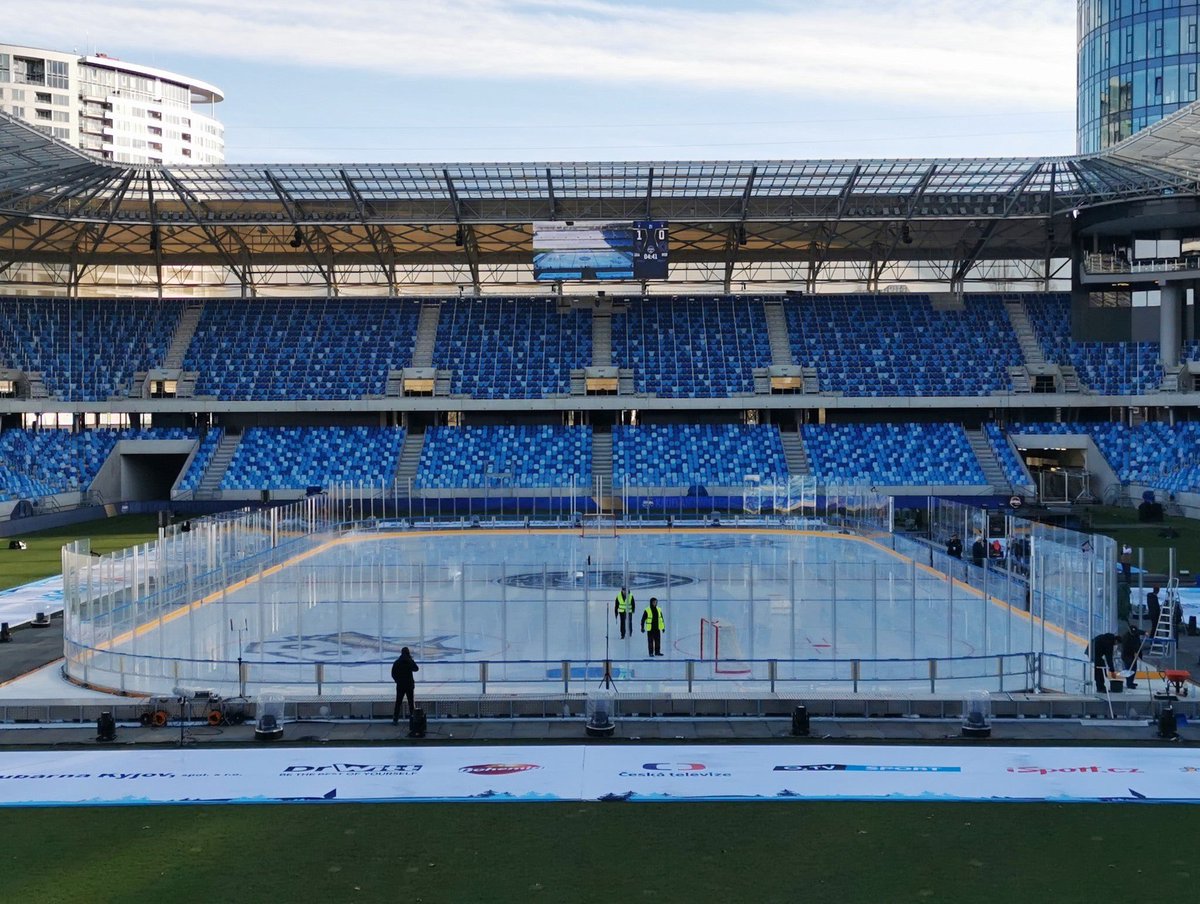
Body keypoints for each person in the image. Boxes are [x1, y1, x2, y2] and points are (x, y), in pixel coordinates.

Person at [391, 646, 419, 725]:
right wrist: (412, 660)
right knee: (411, 703)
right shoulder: (409, 661)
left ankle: (395, 719)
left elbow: (393, 673)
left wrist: (397, 681)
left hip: (400, 685)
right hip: (409, 685)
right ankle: (413, 720)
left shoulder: (397, 662)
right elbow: (416, 669)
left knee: (398, 703)